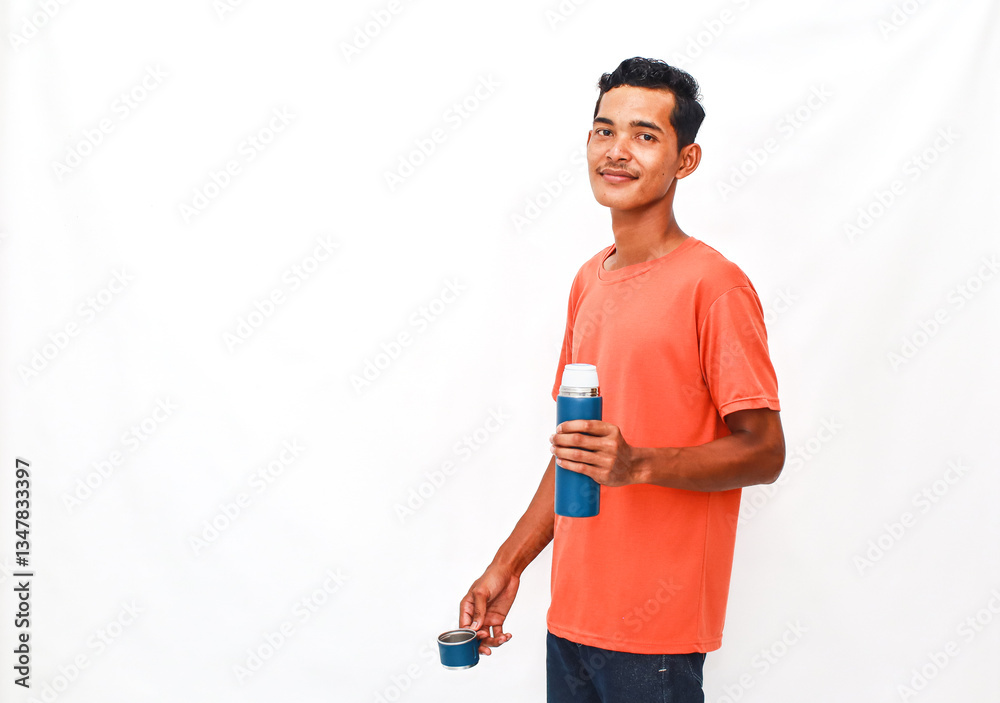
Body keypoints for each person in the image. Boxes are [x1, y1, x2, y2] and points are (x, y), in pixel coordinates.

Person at [459, 56, 785, 702]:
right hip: (571, 622)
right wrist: (508, 562)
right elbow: (574, 449)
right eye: (604, 130)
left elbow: (765, 450)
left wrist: (637, 463)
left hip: (654, 643)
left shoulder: (714, 286)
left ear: (685, 160)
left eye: (645, 135)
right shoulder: (588, 279)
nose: (617, 150)